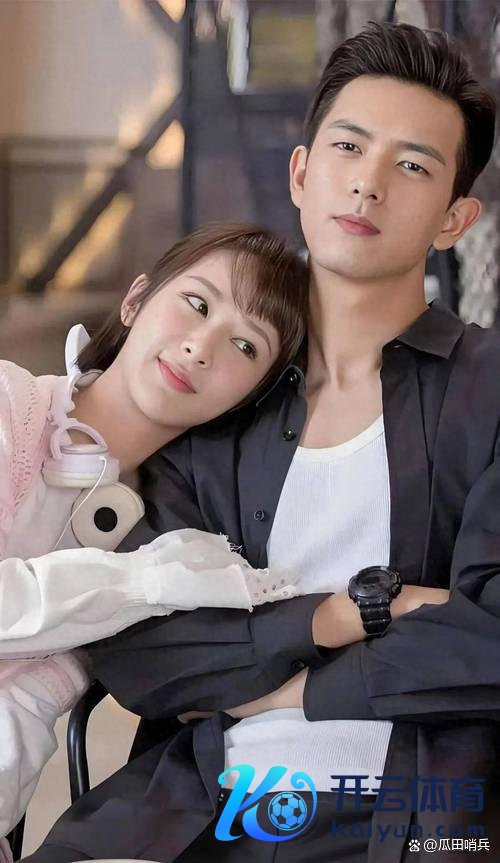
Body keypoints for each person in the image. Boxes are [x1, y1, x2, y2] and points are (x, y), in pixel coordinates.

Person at [21, 20, 499, 863]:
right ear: (302, 173)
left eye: (412, 166)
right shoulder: (219, 388)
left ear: (454, 219)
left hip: (414, 813)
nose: (368, 184)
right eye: (349, 147)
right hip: (199, 807)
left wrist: (293, 692)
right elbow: (142, 646)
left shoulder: (486, 389)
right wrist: (347, 614)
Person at [0, 223, 308, 848]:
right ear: (136, 299)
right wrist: (143, 583)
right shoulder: (9, 404)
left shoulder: (173, 534)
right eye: (196, 304)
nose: (201, 348)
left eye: (245, 346)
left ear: (250, 398)